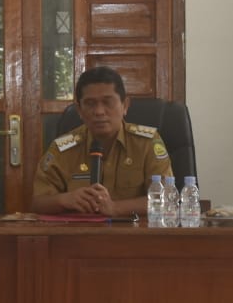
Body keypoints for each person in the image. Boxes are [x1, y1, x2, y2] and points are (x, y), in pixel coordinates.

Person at [32, 66, 173, 217]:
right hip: (80, 230)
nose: (99, 111)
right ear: (79, 110)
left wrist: (115, 208)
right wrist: (64, 200)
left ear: (125, 105)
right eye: (90, 103)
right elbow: (38, 202)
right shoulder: (63, 148)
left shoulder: (147, 143)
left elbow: (166, 199)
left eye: (108, 102)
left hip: (133, 230)